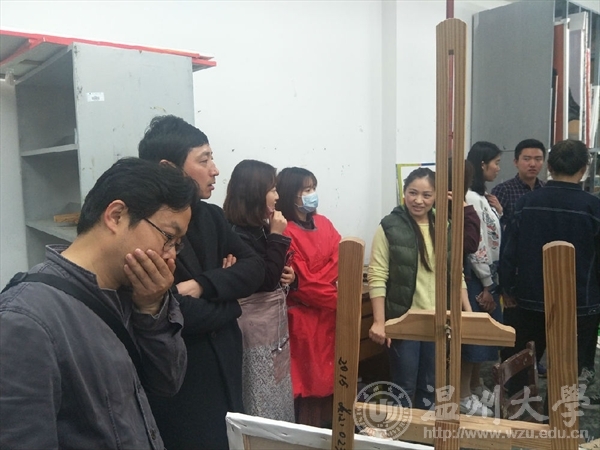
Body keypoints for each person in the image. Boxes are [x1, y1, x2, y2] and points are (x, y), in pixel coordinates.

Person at [0, 158, 197, 449]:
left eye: (177, 244)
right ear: (116, 216)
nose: (171, 255)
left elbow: (167, 383)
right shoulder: (25, 320)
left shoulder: (133, 293)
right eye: (168, 237)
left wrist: (151, 309)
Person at [139, 116, 264, 450]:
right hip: (183, 376)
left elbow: (255, 268)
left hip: (227, 362)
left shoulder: (211, 216)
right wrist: (231, 301)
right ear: (169, 169)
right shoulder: (146, 228)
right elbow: (171, 310)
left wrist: (203, 285)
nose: (215, 170)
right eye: (204, 160)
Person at [500, 139, 600, 409]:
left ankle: (520, 415)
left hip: (529, 299)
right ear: (584, 168)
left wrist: (508, 289)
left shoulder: (526, 203)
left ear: (550, 166)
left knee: (522, 363)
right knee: (570, 369)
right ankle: (557, 420)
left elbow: (508, 252)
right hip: (581, 303)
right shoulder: (593, 207)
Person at [368, 168, 477, 412]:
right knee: (404, 386)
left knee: (431, 385)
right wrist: (380, 321)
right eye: (412, 193)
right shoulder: (389, 226)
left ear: (437, 196)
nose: (418, 200)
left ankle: (425, 433)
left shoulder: (445, 225)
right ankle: (402, 432)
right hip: (404, 320)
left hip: (439, 321)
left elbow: (455, 272)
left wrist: (468, 312)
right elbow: (377, 275)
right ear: (404, 192)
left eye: (427, 195)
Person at [223, 159, 295, 421]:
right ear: (255, 192)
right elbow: (263, 280)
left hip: (273, 334)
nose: (277, 196)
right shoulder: (235, 234)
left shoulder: (261, 228)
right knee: (260, 403)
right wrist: (277, 236)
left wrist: (291, 277)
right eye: (272, 189)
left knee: (279, 396)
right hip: (253, 336)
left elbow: (275, 275)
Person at [275, 167, 341, 427]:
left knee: (331, 381)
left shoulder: (325, 223)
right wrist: (327, 289)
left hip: (328, 317)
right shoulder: (286, 231)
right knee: (304, 386)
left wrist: (313, 280)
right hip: (301, 321)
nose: (312, 194)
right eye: (306, 189)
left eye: (313, 188)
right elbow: (298, 280)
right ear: (290, 194)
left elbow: (339, 259)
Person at [464, 141, 504, 406]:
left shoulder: (483, 196)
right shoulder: (470, 197)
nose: (498, 168)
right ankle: (464, 393)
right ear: (482, 164)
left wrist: (499, 212)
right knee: (473, 341)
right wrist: (488, 285)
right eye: (496, 163)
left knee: (484, 339)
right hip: (479, 277)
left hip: (490, 276)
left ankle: (475, 385)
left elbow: (493, 235)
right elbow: (477, 245)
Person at [491, 139, 546, 230]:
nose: (532, 164)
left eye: (538, 159)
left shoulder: (546, 189)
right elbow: (494, 224)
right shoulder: (503, 190)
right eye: (526, 159)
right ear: (516, 162)